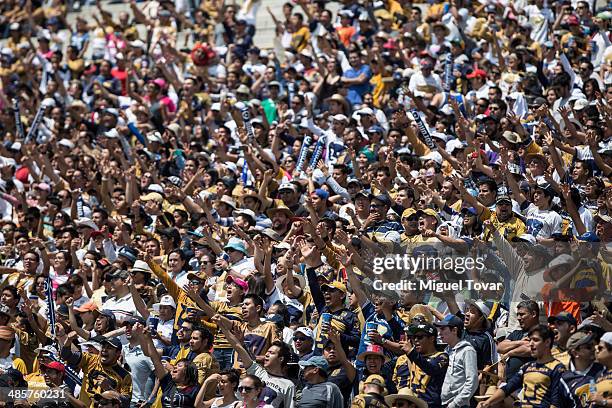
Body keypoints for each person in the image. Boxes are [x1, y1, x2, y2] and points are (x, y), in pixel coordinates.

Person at [477, 325, 567, 408]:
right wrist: (487, 402)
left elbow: (556, 401)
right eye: (530, 340)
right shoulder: (527, 367)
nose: (531, 344)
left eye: (535, 340)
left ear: (547, 342)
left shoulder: (557, 368)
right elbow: (508, 387)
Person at [435, 315, 478, 408]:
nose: (439, 333)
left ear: (454, 330)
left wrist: (455, 404)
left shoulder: (467, 351)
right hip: (444, 403)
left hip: (459, 405)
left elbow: (472, 381)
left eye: (443, 329)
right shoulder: (446, 351)